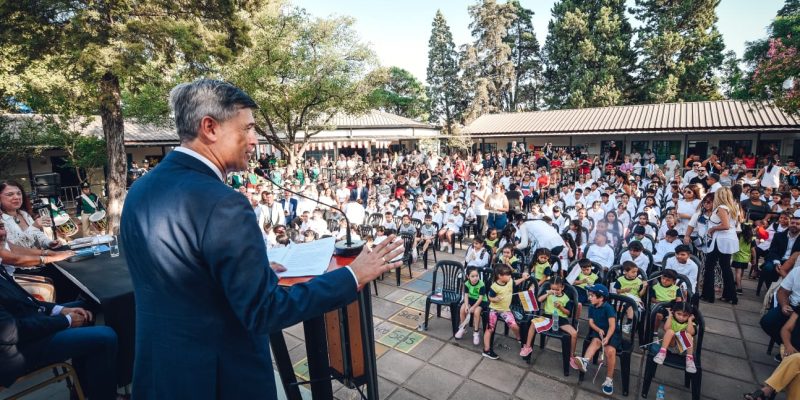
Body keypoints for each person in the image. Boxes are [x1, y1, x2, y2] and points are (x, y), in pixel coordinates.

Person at [120, 79, 404, 398]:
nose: (255, 140)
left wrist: (251, 271)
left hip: (161, 378)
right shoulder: (223, 203)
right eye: (248, 128)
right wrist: (352, 276)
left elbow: (183, 280)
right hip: (219, 383)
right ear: (210, 127)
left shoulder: (140, 191)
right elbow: (264, 311)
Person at [572, 284, 620, 396]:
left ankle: (609, 380)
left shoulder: (608, 308)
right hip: (599, 331)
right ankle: (585, 361)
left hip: (611, 333)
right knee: (595, 342)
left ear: (601, 298)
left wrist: (607, 337)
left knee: (610, 351)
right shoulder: (592, 306)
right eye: (589, 295)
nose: (589, 298)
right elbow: (591, 323)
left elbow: (612, 326)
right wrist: (598, 330)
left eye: (592, 295)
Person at [520, 277, 578, 362]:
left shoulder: (566, 298)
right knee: (533, 323)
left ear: (562, 288)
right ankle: (528, 347)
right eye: (552, 289)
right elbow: (539, 300)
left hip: (561, 319)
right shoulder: (549, 294)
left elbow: (568, 313)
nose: (554, 291)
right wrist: (547, 294)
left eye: (557, 290)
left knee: (574, 333)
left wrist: (560, 307)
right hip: (547, 316)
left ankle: (572, 356)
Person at [482, 264, 528, 360]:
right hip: (494, 309)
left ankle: (519, 337)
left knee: (514, 326)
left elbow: (515, 282)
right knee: (489, 329)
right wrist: (495, 299)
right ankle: (486, 350)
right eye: (508, 275)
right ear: (500, 276)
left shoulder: (510, 281)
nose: (510, 276)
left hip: (505, 310)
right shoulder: (494, 287)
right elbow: (490, 297)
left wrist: (523, 279)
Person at [703, 187, 740, 304]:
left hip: (721, 240)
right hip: (728, 239)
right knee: (725, 268)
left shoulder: (721, 208)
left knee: (710, 267)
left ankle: (709, 295)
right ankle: (730, 295)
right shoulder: (733, 207)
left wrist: (713, 228)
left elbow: (726, 225)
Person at [0, 181, 58, 249]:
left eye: (19, 193)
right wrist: (34, 227)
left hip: (39, 257)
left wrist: (49, 243)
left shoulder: (24, 214)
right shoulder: (1, 220)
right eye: (10, 194)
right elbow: (12, 249)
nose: (17, 197)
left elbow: (38, 236)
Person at [652, 302, 698, 374]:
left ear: (689, 315)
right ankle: (662, 353)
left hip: (683, 349)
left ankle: (689, 360)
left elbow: (690, 332)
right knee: (670, 331)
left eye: (685, 315)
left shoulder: (690, 323)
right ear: (674, 312)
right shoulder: (672, 319)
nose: (681, 317)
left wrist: (689, 320)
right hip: (670, 345)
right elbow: (666, 328)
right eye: (679, 314)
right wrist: (670, 315)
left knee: (688, 335)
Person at [454, 267, 487, 345]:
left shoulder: (481, 284)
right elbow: (466, 296)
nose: (475, 278)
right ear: (468, 277)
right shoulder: (466, 284)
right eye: (473, 276)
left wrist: (473, 307)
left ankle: (476, 332)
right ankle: (463, 328)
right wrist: (466, 306)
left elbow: (480, 298)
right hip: (471, 299)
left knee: (476, 312)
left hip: (481, 301)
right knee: (462, 309)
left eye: (477, 276)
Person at [732, 223, 756, 294]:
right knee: (741, 272)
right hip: (746, 258)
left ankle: (739, 288)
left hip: (737, 257)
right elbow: (753, 250)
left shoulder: (738, 236)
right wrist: (754, 259)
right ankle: (738, 281)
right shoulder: (751, 238)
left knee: (737, 273)